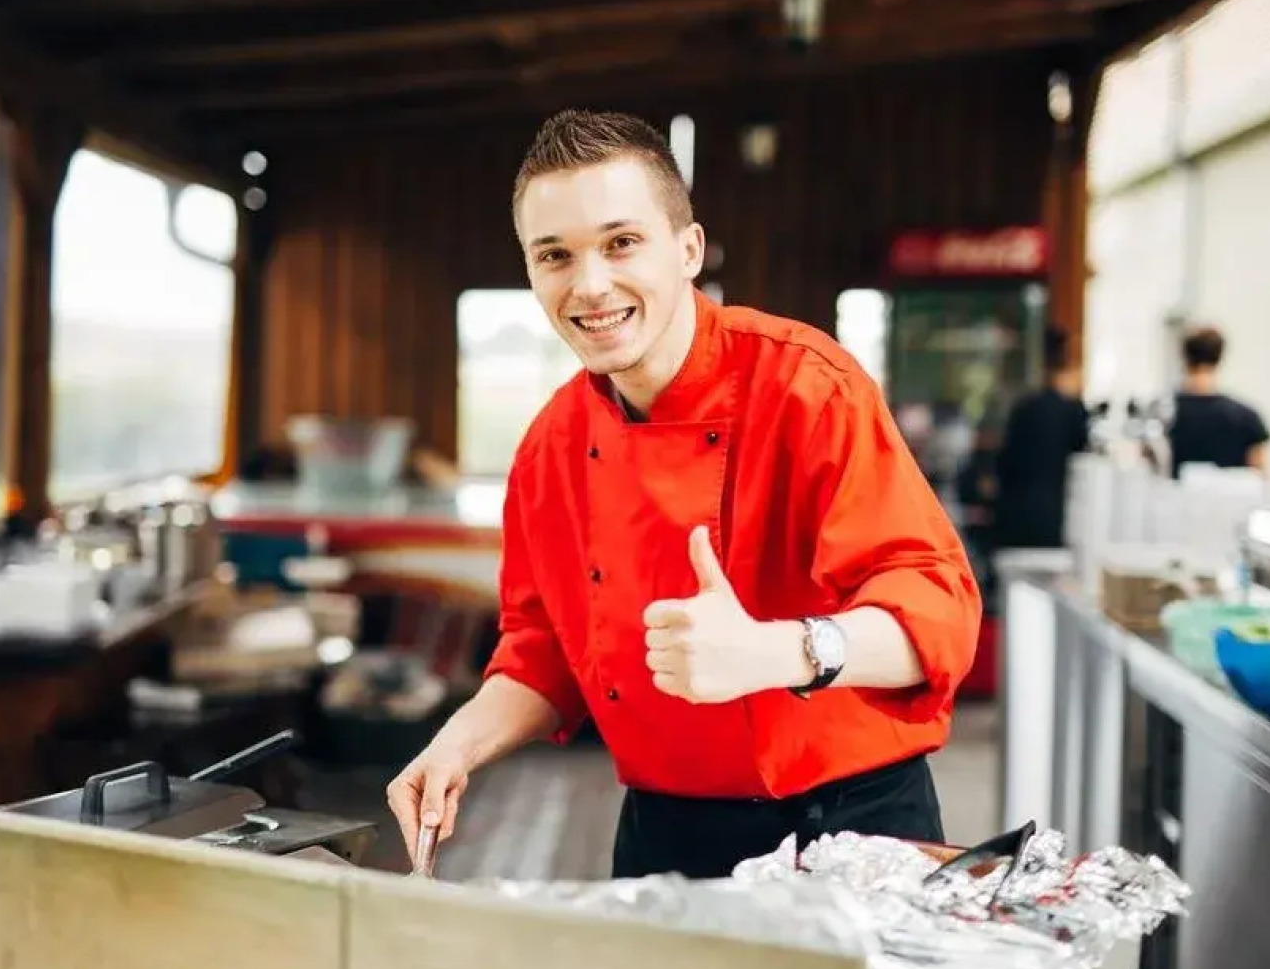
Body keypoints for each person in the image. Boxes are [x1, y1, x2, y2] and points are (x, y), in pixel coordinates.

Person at [386, 109, 981, 881]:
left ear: (687, 249)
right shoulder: (550, 446)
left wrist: (778, 650)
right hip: (663, 833)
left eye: (620, 243)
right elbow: (542, 658)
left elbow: (938, 617)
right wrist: (453, 747)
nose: (590, 284)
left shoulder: (805, 385)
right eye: (555, 255)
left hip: (846, 830)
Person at [992, 327, 1089, 550]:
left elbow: (1004, 463)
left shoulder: (1023, 408)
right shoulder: (1072, 411)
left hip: (1017, 514)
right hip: (1054, 515)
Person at [1166, 326, 1269, 478]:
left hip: (1175, 500)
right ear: (1219, 358)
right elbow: (1260, 479)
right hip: (1231, 501)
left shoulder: (1163, 416)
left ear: (1185, 358)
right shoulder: (1247, 418)